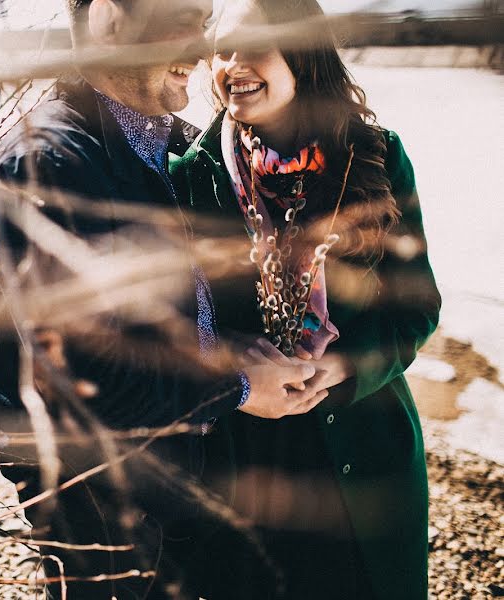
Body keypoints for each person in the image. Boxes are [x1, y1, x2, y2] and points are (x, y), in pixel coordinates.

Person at [0, 0, 319, 597]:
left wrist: (234, 345)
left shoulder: (178, 146)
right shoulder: (47, 163)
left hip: (181, 445)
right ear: (109, 15)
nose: (201, 45)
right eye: (184, 19)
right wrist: (240, 388)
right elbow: (82, 383)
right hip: (90, 476)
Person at [170, 1, 442, 598]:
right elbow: (174, 323)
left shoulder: (375, 156)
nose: (232, 65)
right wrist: (232, 364)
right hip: (247, 463)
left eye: (254, 45)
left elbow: (417, 307)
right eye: (221, 49)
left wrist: (346, 366)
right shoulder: (191, 175)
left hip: (364, 451)